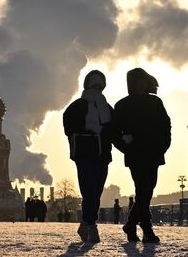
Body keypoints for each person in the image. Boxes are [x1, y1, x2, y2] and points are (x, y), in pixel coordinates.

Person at [114, 68, 171, 243]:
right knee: (143, 189)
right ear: (131, 84)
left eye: (142, 82)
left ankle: (131, 224)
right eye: (137, 82)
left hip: (153, 153)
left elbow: (166, 125)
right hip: (136, 155)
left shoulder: (155, 102)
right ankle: (147, 229)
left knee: (147, 190)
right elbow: (115, 132)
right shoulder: (122, 105)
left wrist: (163, 146)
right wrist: (126, 146)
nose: (140, 85)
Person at [63, 70, 116, 243]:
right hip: (84, 154)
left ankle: (85, 223)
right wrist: (88, 129)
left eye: (99, 85)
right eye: (94, 85)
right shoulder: (77, 106)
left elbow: (114, 130)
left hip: (102, 155)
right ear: (87, 85)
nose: (97, 88)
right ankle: (92, 226)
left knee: (97, 191)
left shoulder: (106, 108)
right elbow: (68, 125)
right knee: (89, 190)